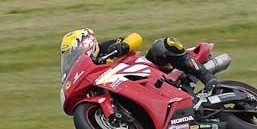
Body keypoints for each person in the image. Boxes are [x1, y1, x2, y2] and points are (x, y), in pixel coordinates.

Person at [60, 28, 217, 90]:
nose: (74, 57)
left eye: (75, 51)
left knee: (161, 45)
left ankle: (207, 77)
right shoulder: (88, 72)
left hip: (147, 70)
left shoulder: (106, 48)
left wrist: (124, 46)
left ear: (87, 43)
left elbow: (136, 37)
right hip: (131, 88)